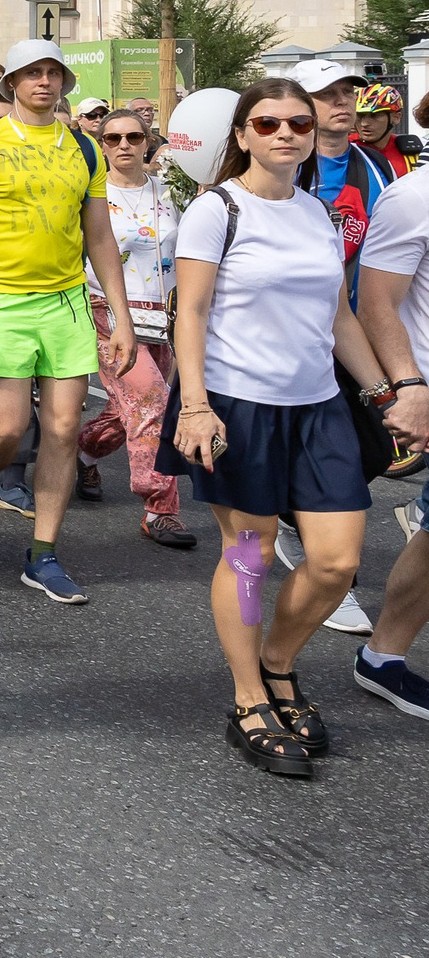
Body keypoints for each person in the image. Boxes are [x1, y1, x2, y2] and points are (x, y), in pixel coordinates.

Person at [165, 80, 385, 777]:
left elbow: (339, 315)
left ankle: (278, 660)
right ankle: (250, 696)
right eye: (268, 122)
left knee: (336, 560)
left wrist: (385, 390)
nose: (286, 133)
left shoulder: (318, 211)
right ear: (242, 134)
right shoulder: (215, 209)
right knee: (251, 552)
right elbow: (191, 313)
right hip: (237, 402)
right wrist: (195, 404)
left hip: (318, 405)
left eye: (298, 121)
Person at [0, 39, 136, 606]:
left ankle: (43, 553)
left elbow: (99, 236)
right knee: (4, 430)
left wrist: (121, 319)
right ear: (13, 84)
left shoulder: (85, 149)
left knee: (61, 429)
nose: (45, 82)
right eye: (33, 72)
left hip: (67, 303)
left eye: (54, 73)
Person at [288, 56, 396, 636]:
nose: (342, 102)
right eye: (327, 94)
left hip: (353, 329)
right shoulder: (287, 164)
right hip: (293, 336)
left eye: (347, 92)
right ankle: (331, 572)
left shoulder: (372, 166)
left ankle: (296, 520)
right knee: (338, 456)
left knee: (377, 449)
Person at [85, 109, 194, 549]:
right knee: (151, 401)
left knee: (129, 409)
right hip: (109, 313)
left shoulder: (172, 192)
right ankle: (159, 507)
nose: (124, 145)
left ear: (149, 140)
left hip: (163, 315)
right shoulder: (90, 196)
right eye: (112, 138)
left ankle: (83, 451)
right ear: (101, 144)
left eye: (134, 136)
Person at [350, 157, 429, 723]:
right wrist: (408, 386)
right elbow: (375, 302)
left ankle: (382, 657)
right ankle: (382, 656)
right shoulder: (413, 197)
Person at [356, 82, 419, 178]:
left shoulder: (412, 152)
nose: (364, 123)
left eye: (374, 116)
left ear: (396, 117)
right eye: (360, 116)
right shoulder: (344, 149)